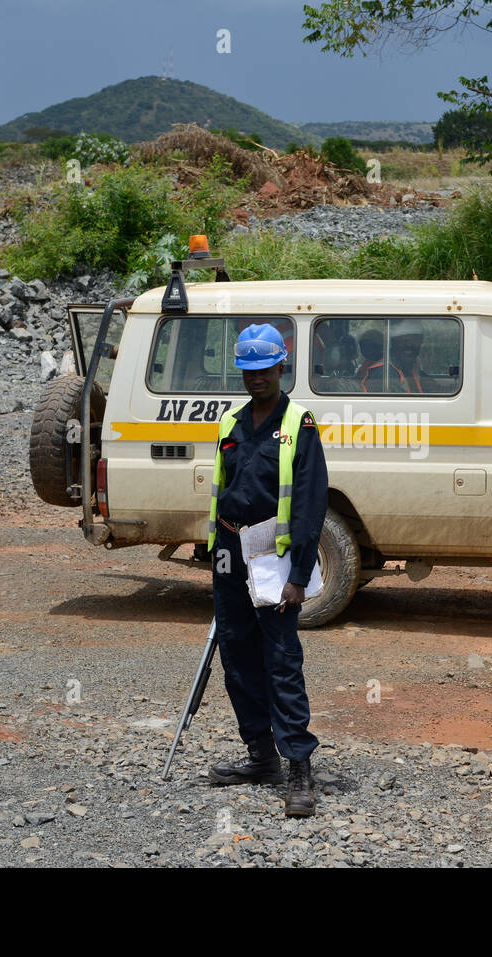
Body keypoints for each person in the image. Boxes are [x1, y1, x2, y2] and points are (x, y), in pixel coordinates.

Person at [205, 323, 328, 817]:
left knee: (281, 660)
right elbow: (219, 491)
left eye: (264, 369)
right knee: (235, 656)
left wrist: (299, 574)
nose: (256, 378)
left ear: (281, 366)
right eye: (248, 370)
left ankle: (298, 765)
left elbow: (310, 504)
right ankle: (260, 756)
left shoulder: (300, 424)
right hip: (230, 553)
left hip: (274, 560)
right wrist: (213, 554)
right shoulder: (229, 422)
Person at [360, 319, 426, 393]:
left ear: (421, 343)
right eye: (403, 340)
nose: (409, 345)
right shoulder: (385, 371)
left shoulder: (411, 368)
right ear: (393, 344)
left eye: (414, 340)